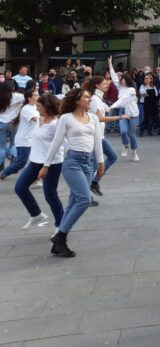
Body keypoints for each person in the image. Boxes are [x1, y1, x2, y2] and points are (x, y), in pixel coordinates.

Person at [40, 88, 105, 257]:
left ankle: (57, 241)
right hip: (72, 162)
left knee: (73, 202)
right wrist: (46, 165)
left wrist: (101, 162)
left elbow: (97, 141)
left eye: (89, 97)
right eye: (86, 97)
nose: (89, 99)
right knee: (84, 199)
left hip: (89, 163)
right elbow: (56, 142)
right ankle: (60, 237)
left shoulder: (93, 119)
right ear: (76, 100)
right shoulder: (66, 118)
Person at [14, 94, 64, 231]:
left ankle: (61, 226)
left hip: (52, 163)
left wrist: (46, 166)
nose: (36, 108)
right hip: (35, 162)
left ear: (47, 107)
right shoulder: (39, 119)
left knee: (50, 195)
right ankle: (36, 214)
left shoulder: (57, 124)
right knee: (20, 187)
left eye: (39, 106)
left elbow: (62, 145)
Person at [82, 77, 123, 198]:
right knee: (93, 166)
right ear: (97, 85)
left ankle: (94, 182)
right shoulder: (95, 99)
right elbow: (99, 118)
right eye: (104, 83)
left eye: (107, 83)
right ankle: (85, 195)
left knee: (112, 156)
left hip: (100, 135)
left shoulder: (98, 98)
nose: (106, 85)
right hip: (95, 136)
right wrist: (119, 117)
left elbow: (106, 109)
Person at [0, 89, 38, 180]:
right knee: (20, 161)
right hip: (23, 137)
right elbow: (36, 119)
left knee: (2, 147)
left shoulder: (35, 106)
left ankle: (35, 178)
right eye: (36, 95)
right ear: (29, 98)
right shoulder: (25, 107)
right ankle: (4, 172)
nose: (38, 97)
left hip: (3, 124)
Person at [108, 71, 140, 161]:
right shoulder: (120, 87)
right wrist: (110, 64)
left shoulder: (132, 90)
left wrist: (113, 106)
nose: (122, 81)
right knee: (123, 131)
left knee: (132, 134)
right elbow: (114, 77)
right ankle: (126, 145)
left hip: (133, 114)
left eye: (124, 79)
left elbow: (123, 99)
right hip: (123, 112)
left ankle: (134, 152)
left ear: (128, 80)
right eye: (122, 79)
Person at [0, 81, 24, 167]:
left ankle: (1, 167)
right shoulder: (18, 96)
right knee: (13, 144)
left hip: (1, 123)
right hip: (14, 123)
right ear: (12, 88)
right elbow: (28, 99)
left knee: (1, 147)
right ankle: (13, 160)